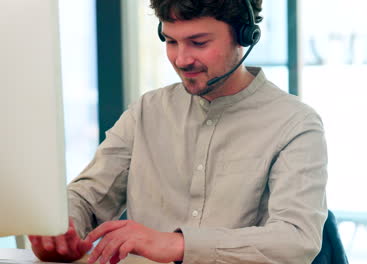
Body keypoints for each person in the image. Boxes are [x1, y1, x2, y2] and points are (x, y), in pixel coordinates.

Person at [29, 0, 328, 263]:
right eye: (171, 41)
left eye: (198, 43)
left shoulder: (296, 123)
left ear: (244, 37)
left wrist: (179, 245)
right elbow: (87, 196)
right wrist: (61, 228)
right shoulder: (147, 111)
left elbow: (296, 240)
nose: (181, 59)